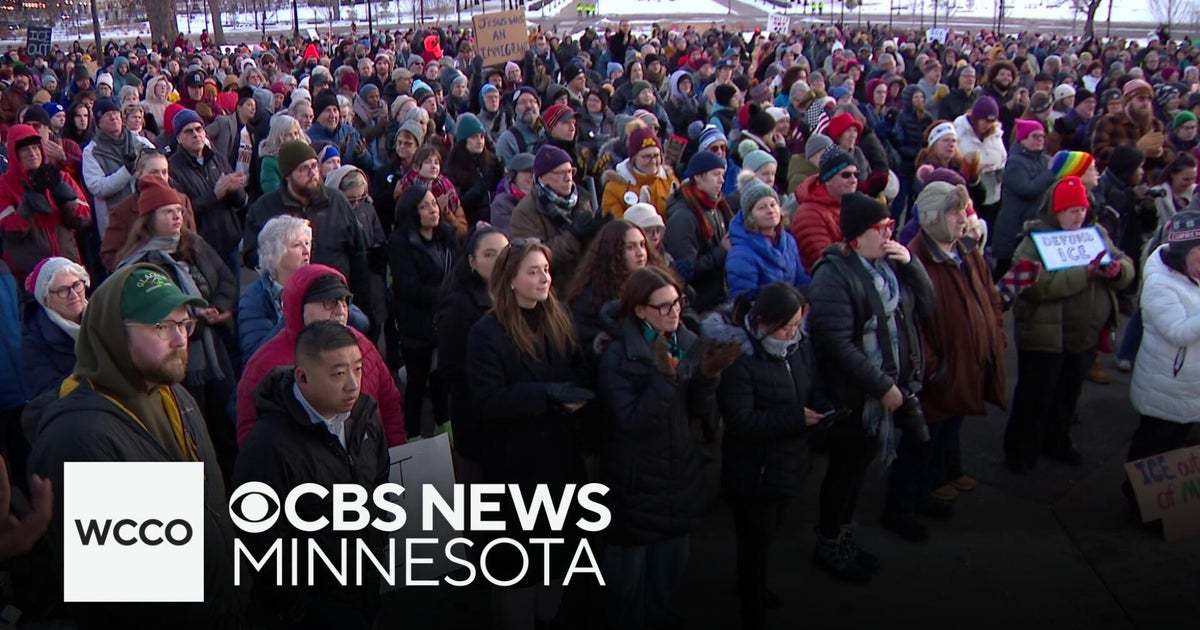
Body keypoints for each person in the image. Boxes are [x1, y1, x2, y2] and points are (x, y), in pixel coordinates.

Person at [27, 264, 246, 627]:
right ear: (115, 334)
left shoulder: (173, 394)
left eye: (183, 324)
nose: (180, 340)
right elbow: (136, 600)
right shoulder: (83, 438)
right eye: (162, 327)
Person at [596, 266, 737, 630]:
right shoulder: (618, 356)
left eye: (677, 302)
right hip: (635, 480)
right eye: (663, 306)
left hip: (678, 471)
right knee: (627, 576)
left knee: (671, 562)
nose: (675, 311)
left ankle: (657, 615)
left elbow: (695, 413)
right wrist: (665, 378)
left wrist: (708, 378)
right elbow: (632, 422)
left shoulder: (684, 340)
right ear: (640, 311)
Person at [806, 192, 934, 583]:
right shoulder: (834, 274)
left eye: (890, 226)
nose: (889, 234)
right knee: (844, 475)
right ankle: (830, 545)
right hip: (853, 397)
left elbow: (927, 310)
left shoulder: (889, 266)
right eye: (882, 229)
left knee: (857, 473)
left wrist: (912, 267)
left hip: (885, 388)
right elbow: (836, 342)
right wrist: (881, 386)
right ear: (857, 237)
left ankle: (843, 539)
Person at [466, 240, 593, 630]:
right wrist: (548, 396)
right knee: (517, 569)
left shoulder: (559, 316)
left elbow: (576, 368)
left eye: (546, 270)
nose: (544, 278)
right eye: (533, 271)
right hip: (515, 470)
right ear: (511, 280)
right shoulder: (487, 333)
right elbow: (489, 400)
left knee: (556, 561)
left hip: (560, 461)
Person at [234, 321, 388, 629]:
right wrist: (300, 607)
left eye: (357, 369)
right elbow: (260, 541)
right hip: (312, 609)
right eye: (338, 374)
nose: (353, 385)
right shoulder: (268, 447)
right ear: (302, 377)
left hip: (364, 584)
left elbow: (380, 481)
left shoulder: (365, 415)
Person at [883, 182, 1007, 542]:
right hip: (939, 376)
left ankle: (924, 494)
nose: (964, 218)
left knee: (943, 439)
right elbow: (909, 324)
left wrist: (995, 336)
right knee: (918, 445)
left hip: (967, 367)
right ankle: (900, 508)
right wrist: (936, 367)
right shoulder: (913, 260)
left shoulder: (967, 250)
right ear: (935, 216)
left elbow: (991, 298)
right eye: (956, 212)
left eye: (965, 210)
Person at [709, 282, 828, 630]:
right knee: (755, 541)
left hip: (787, 459)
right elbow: (741, 420)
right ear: (763, 322)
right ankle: (751, 601)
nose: (793, 334)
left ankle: (751, 583)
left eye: (796, 325)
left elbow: (809, 383)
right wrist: (795, 418)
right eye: (786, 327)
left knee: (769, 532)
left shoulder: (797, 347)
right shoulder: (739, 359)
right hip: (753, 470)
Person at [1003, 176, 1133, 474]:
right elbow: (1036, 286)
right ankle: (1021, 452)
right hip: (1044, 336)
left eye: (1082, 209)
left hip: (1083, 336)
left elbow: (1124, 262)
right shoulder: (1032, 242)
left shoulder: (1096, 232)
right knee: (1034, 397)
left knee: (1067, 396)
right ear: (1055, 211)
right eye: (1071, 210)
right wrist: (1085, 274)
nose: (1079, 216)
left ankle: (1056, 442)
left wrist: (1116, 272)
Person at [115, 177, 239, 482]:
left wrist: (219, 307)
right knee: (193, 427)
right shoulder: (139, 264)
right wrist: (193, 319)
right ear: (148, 220)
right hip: (178, 354)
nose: (177, 217)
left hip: (215, 347)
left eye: (179, 210)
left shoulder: (193, 244)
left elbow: (226, 278)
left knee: (227, 419)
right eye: (167, 212)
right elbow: (149, 315)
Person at [237, 264, 405, 447]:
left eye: (343, 301)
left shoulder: (363, 345)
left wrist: (393, 455)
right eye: (329, 302)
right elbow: (252, 435)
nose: (340, 311)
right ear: (298, 306)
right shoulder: (265, 364)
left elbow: (389, 404)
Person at [243, 140, 375, 328]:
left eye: (314, 165)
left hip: (337, 301)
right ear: (288, 175)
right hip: (289, 305)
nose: (313, 173)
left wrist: (363, 304)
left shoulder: (336, 201)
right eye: (304, 169)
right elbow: (251, 254)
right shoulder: (265, 208)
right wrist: (282, 260)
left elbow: (358, 254)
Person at [1126, 211, 1200, 510]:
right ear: (1181, 255)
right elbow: (1178, 331)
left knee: (1179, 449)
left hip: (1189, 385)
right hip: (1165, 383)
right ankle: (1137, 503)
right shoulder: (1160, 284)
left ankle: (1168, 508)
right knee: (1152, 447)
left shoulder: (1191, 273)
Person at [435, 226, 509, 480]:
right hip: (477, 418)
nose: (500, 261)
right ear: (472, 261)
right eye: (490, 254)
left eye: (505, 253)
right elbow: (451, 368)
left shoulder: (513, 295)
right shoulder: (459, 305)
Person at [388, 182, 458, 438]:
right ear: (411, 211)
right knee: (417, 383)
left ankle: (444, 423)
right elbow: (409, 287)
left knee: (441, 378)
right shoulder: (400, 244)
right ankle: (413, 432)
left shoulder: (447, 236)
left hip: (444, 321)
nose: (433, 209)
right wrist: (447, 294)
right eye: (424, 206)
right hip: (416, 324)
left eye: (433, 203)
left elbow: (458, 271)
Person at [511, 144, 610, 294]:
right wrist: (573, 236)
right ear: (542, 177)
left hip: (587, 287)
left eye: (570, 171)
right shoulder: (525, 212)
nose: (568, 178)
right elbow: (531, 257)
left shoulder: (583, 199)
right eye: (560, 173)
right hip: (553, 292)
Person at [0, 124, 91, 282]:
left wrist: (64, 200)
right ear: (15, 153)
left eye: (36, 148)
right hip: (29, 274)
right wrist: (27, 207)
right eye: (25, 149)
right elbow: (9, 232)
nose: (32, 153)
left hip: (67, 267)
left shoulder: (59, 178)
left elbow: (84, 219)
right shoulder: (4, 185)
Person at [169, 108, 248, 267]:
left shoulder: (217, 158)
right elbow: (182, 211)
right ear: (179, 138)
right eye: (188, 131)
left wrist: (235, 190)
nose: (196, 134)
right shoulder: (173, 168)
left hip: (229, 242)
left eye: (199, 129)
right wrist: (214, 195)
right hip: (202, 248)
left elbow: (240, 203)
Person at [100, 149, 198, 271]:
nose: (161, 178)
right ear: (139, 175)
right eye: (154, 173)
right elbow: (110, 255)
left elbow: (192, 241)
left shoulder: (182, 200)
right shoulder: (122, 210)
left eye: (165, 172)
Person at [665, 150, 733, 313]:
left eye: (723, 175)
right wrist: (721, 252)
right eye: (716, 174)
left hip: (719, 296)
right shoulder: (683, 217)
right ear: (698, 177)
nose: (721, 180)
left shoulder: (716, 207)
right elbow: (686, 269)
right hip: (700, 304)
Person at [992, 118, 1057, 279]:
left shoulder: (1044, 160)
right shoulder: (1015, 163)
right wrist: (1051, 173)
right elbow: (1027, 190)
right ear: (1023, 139)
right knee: (1005, 274)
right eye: (1035, 136)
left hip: (1033, 225)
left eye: (1042, 136)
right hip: (1014, 228)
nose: (1040, 140)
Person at [727, 179, 810, 300]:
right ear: (750, 216)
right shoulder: (741, 254)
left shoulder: (788, 240)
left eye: (773, 204)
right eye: (761, 208)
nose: (770, 211)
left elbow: (801, 279)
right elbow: (744, 300)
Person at [21, 257, 90, 397]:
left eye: (77, 285)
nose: (74, 295)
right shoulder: (33, 343)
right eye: (62, 290)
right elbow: (48, 392)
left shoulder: (102, 314)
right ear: (45, 298)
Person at [791, 145, 861, 273]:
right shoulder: (809, 213)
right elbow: (826, 261)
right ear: (828, 179)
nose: (853, 180)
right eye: (846, 175)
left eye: (856, 175)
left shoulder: (851, 205)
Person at [601, 126, 679, 219]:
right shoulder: (614, 187)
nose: (653, 161)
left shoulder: (669, 180)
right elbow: (615, 226)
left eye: (656, 155)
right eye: (646, 156)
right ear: (634, 159)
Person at [394, 144, 469, 238]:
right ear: (416, 167)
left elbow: (462, 230)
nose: (433, 166)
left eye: (436, 162)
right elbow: (402, 221)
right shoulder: (405, 187)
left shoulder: (447, 188)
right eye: (428, 162)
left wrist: (446, 213)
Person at [257, 114, 307, 194]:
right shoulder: (269, 162)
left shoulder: (305, 155)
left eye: (296, 133)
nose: (294, 138)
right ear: (279, 137)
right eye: (289, 135)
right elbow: (272, 190)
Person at [490, 152, 535, 235]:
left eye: (535, 172)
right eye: (527, 171)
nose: (532, 176)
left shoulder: (542, 198)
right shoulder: (501, 204)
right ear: (514, 175)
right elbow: (511, 235)